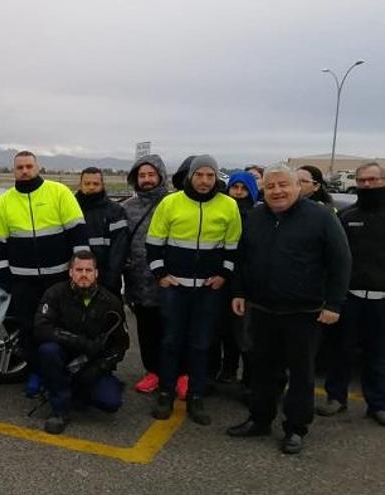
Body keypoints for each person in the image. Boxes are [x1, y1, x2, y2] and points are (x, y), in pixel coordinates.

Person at [228, 164, 350, 454]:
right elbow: (242, 258)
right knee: (262, 370)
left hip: (304, 313)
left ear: (298, 187)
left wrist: (334, 304)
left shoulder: (321, 217)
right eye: (270, 186)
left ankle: (295, 428)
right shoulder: (255, 216)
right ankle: (259, 419)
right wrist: (239, 292)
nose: (277, 191)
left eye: (283, 185)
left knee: (301, 374)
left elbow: (341, 261)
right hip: (263, 309)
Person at [147, 155, 241, 425]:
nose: (204, 181)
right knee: (171, 342)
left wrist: (223, 275)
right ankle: (165, 393)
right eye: (199, 175)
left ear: (216, 178)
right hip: (175, 288)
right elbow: (154, 243)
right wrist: (161, 274)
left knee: (201, 345)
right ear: (190, 177)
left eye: (210, 176)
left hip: (208, 291)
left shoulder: (229, 205)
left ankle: (196, 398)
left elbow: (233, 247)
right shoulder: (170, 203)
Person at [0, 151, 89, 398]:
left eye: (29, 166)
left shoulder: (59, 192)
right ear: (14, 171)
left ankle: (62, 374)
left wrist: (79, 272)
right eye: (20, 167)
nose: (25, 171)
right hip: (23, 281)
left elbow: (78, 234)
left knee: (61, 329)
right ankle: (36, 374)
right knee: (28, 330)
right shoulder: (5, 201)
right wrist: (5, 278)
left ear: (37, 167)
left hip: (57, 279)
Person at [318, 162, 385, 425]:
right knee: (341, 350)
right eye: (362, 181)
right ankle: (336, 398)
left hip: (381, 301)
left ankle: (378, 404)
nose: (367, 185)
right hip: (349, 298)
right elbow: (333, 258)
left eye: (372, 180)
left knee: (378, 354)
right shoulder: (346, 217)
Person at [34, 251, 129, 434]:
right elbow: (41, 328)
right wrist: (80, 342)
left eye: (88, 270)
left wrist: (100, 367)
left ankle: (77, 391)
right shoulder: (55, 294)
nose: (83, 274)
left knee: (111, 403)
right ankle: (59, 409)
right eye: (78, 270)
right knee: (48, 350)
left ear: (96, 273)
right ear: (70, 272)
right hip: (64, 357)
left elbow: (121, 345)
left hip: (93, 363)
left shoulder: (111, 302)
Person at [122, 155, 170, 395]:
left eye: (151, 174)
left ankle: (180, 373)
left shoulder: (174, 202)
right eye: (142, 175)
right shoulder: (127, 208)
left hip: (170, 283)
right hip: (139, 283)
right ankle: (153, 371)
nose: (147, 179)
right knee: (147, 331)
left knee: (173, 331)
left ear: (161, 176)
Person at [209, 172, 259, 387]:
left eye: (243, 188)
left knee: (246, 337)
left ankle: (249, 382)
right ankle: (224, 371)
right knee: (218, 333)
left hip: (247, 286)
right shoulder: (219, 213)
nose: (238, 193)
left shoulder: (259, 218)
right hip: (221, 282)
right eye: (234, 187)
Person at [74, 167, 129, 294]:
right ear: (80, 185)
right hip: (76, 281)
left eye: (96, 184)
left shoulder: (115, 211)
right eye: (87, 184)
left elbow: (119, 249)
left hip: (108, 283)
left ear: (103, 185)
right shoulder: (71, 209)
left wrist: (109, 281)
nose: (91, 187)